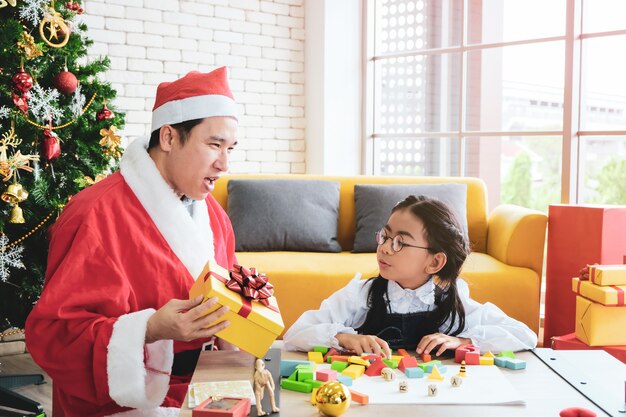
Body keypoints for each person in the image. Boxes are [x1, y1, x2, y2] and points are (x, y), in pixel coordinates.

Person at [25, 67, 240, 417]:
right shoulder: (93, 214)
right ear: (169, 138)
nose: (224, 163)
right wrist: (151, 328)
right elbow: (53, 336)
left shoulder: (215, 217)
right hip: (117, 406)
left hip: (202, 398)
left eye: (230, 148)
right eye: (214, 145)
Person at [283, 195, 537, 358]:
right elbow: (295, 334)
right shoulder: (362, 295)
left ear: (435, 261)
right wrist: (344, 337)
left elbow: (525, 335)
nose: (383, 248)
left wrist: (462, 340)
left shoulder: (451, 301)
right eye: (385, 236)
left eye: (400, 243)